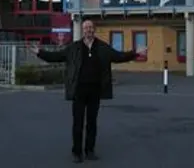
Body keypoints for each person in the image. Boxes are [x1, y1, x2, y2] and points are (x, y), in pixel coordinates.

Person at [30, 19, 147, 163]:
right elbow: (57, 56)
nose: (88, 30)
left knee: (92, 122)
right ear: (83, 30)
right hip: (79, 90)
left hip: (95, 90)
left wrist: (135, 53)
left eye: (91, 27)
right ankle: (77, 152)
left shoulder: (103, 47)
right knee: (77, 123)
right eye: (86, 27)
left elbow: (119, 56)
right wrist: (40, 53)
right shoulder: (74, 48)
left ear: (94, 29)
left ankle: (90, 150)